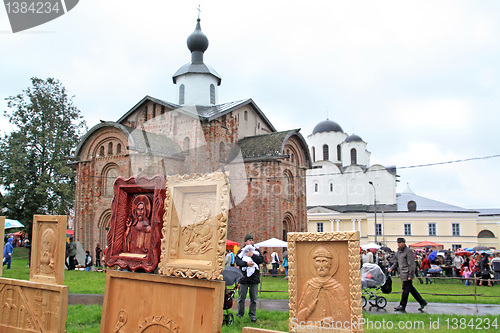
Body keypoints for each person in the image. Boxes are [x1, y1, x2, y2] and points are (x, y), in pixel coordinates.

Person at [296, 246, 349, 322]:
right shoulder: (309, 286)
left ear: (330, 264)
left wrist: (332, 319)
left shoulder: (337, 287)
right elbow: (299, 317)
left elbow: (345, 314)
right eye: (318, 261)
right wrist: (309, 309)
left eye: (324, 261)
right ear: (314, 264)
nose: (321, 265)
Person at [388, 238, 427, 312]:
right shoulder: (399, 252)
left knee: (405, 290)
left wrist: (410, 275)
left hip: (407, 273)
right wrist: (391, 268)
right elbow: (396, 262)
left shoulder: (408, 251)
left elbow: (411, 264)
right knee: (411, 289)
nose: (398, 244)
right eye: (398, 243)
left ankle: (402, 305)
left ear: (403, 243)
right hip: (402, 273)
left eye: (400, 243)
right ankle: (422, 302)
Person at [235, 234, 264, 323]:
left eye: (252, 240)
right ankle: (240, 314)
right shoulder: (241, 251)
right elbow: (238, 261)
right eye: (249, 240)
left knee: (253, 299)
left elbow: (260, 260)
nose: (251, 241)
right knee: (241, 298)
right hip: (244, 278)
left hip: (254, 278)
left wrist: (252, 256)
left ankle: (252, 315)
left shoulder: (256, 251)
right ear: (245, 242)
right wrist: (246, 264)